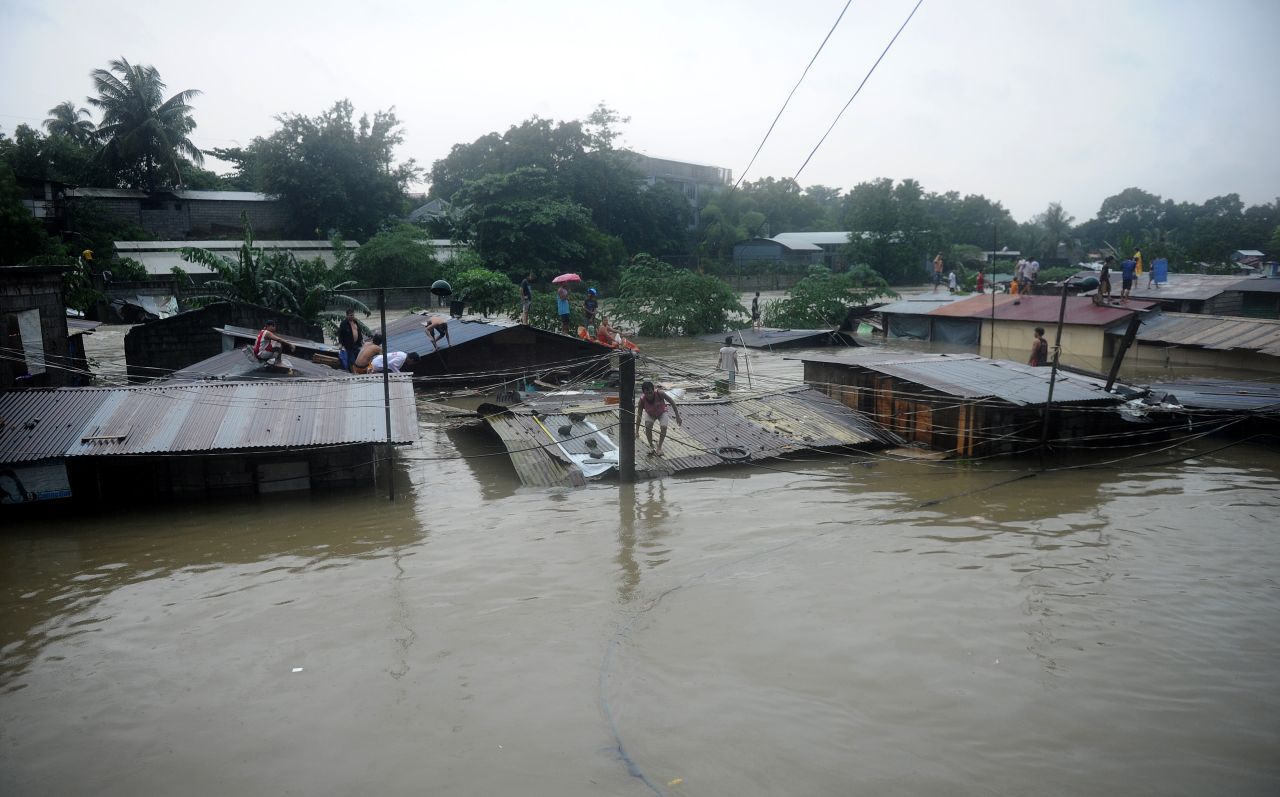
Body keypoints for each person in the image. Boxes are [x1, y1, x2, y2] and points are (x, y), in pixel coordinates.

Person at [635, 380, 682, 456]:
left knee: (664, 426)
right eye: (646, 393)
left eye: (650, 392)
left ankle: (659, 447)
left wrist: (677, 416)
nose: (649, 395)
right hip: (650, 414)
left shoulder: (660, 393)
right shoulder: (642, 400)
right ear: (643, 393)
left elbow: (672, 402)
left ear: (653, 390)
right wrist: (636, 431)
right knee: (648, 425)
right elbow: (639, 416)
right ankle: (651, 445)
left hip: (661, 412)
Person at [337, 308, 362, 373]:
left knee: (357, 357)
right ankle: (353, 372)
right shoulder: (344, 323)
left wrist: (361, 340)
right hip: (348, 344)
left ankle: (354, 370)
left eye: (353, 315)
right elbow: (340, 334)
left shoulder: (355, 322)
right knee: (351, 359)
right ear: (347, 315)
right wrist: (340, 343)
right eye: (350, 315)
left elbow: (359, 332)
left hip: (356, 344)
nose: (352, 316)